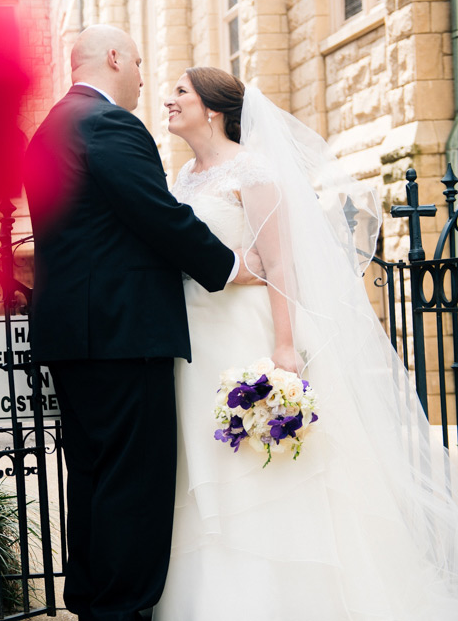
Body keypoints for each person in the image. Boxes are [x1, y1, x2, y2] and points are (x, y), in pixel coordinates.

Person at [154, 66, 458, 620]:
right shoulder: (180, 178)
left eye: (180, 92)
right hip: (193, 343)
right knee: (208, 464)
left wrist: (286, 345)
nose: (167, 100)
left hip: (245, 333)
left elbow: (280, 263)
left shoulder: (253, 171)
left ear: (214, 109)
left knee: (264, 461)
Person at [23, 26, 263, 621]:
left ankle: (91, 603)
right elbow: (155, 214)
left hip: (77, 338)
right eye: (137, 61)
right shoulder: (108, 124)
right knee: (135, 486)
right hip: (123, 334)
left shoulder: (50, 128)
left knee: (95, 482)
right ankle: (121, 610)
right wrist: (228, 266)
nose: (142, 77)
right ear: (113, 58)